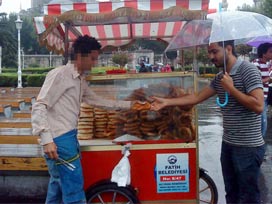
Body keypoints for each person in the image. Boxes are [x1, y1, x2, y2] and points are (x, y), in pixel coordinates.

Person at [151, 40, 265, 203]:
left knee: (248, 197)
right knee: (231, 194)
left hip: (248, 147)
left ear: (228, 49)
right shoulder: (220, 78)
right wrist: (167, 102)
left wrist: (231, 89)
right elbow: (197, 97)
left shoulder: (249, 70)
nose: (211, 56)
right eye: (209, 53)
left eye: (214, 52)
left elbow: (259, 105)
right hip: (228, 144)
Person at [31, 35, 134, 204]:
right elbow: (39, 105)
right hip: (60, 140)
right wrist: (46, 139)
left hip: (69, 138)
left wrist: (130, 105)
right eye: (92, 59)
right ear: (80, 56)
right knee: (74, 191)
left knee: (57, 188)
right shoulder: (60, 75)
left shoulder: (79, 80)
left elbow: (97, 101)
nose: (95, 63)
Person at [252, 42, 272, 137]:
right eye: (270, 52)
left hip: (264, 97)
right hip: (258, 98)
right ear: (264, 54)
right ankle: (258, 147)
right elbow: (255, 82)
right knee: (262, 124)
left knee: (263, 123)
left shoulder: (266, 64)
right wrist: (270, 78)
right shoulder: (256, 64)